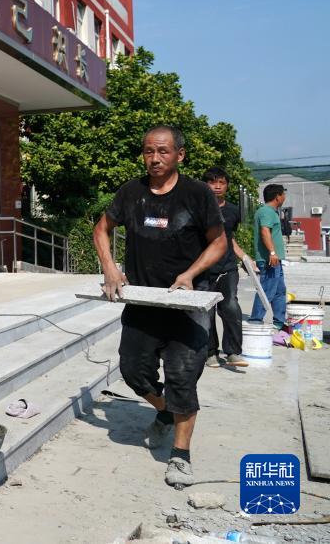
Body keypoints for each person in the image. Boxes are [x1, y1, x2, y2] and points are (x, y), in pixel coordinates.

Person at [93, 125, 226, 489]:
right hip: (144, 303)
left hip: (187, 305)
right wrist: (110, 267)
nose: (155, 158)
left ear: (179, 155)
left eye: (163, 151)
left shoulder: (197, 193)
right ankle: (165, 411)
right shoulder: (131, 192)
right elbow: (101, 229)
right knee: (133, 371)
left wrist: (190, 274)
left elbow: (218, 243)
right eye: (149, 151)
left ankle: (180, 456)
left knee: (182, 377)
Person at [201, 167, 250, 368]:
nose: (217, 186)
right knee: (207, 312)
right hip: (204, 270)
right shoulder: (198, 209)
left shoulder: (233, 211)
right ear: (205, 185)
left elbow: (230, 239)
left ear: (227, 186)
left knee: (231, 307)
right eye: (213, 182)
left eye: (221, 182)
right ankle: (210, 353)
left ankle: (233, 352)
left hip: (228, 268)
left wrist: (245, 257)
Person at [249, 184, 288, 330]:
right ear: (277, 196)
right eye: (283, 194)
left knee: (279, 291)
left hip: (275, 259)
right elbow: (265, 231)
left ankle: (279, 323)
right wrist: (272, 252)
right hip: (269, 259)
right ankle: (255, 320)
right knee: (267, 290)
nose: (284, 197)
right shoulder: (266, 212)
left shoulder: (271, 212)